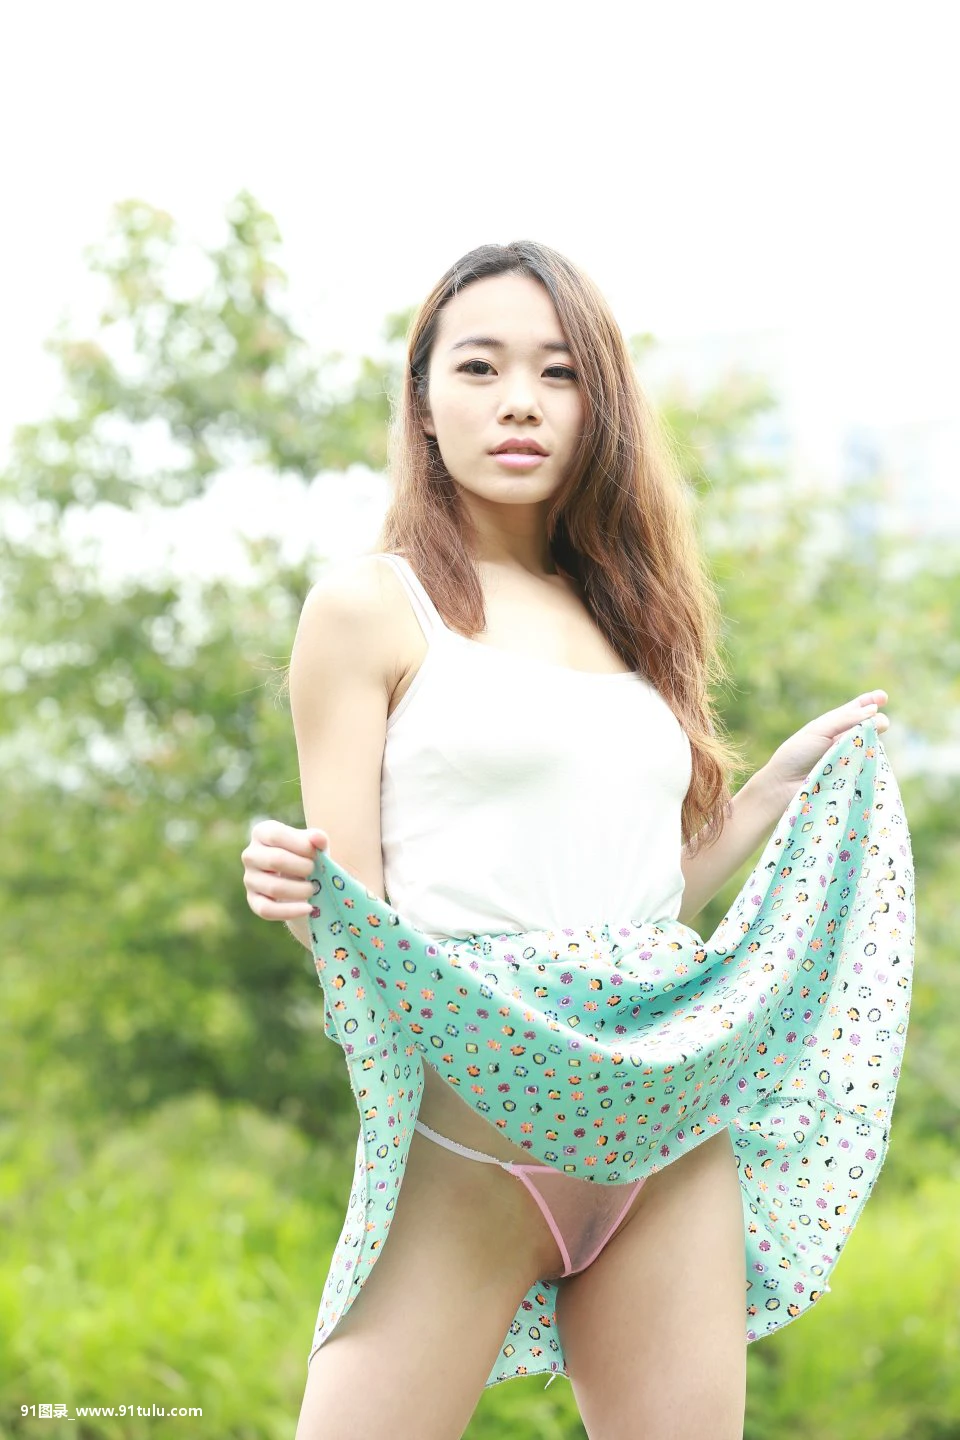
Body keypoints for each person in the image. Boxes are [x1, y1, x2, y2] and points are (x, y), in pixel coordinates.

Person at [240, 241, 913, 1440]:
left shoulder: (633, 618)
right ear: (423, 400)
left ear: (599, 405)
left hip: (665, 1139)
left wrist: (772, 793)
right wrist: (295, 888)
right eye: (481, 367)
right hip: (473, 1148)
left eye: (558, 373)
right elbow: (357, 927)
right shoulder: (370, 609)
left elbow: (637, 905)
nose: (520, 402)